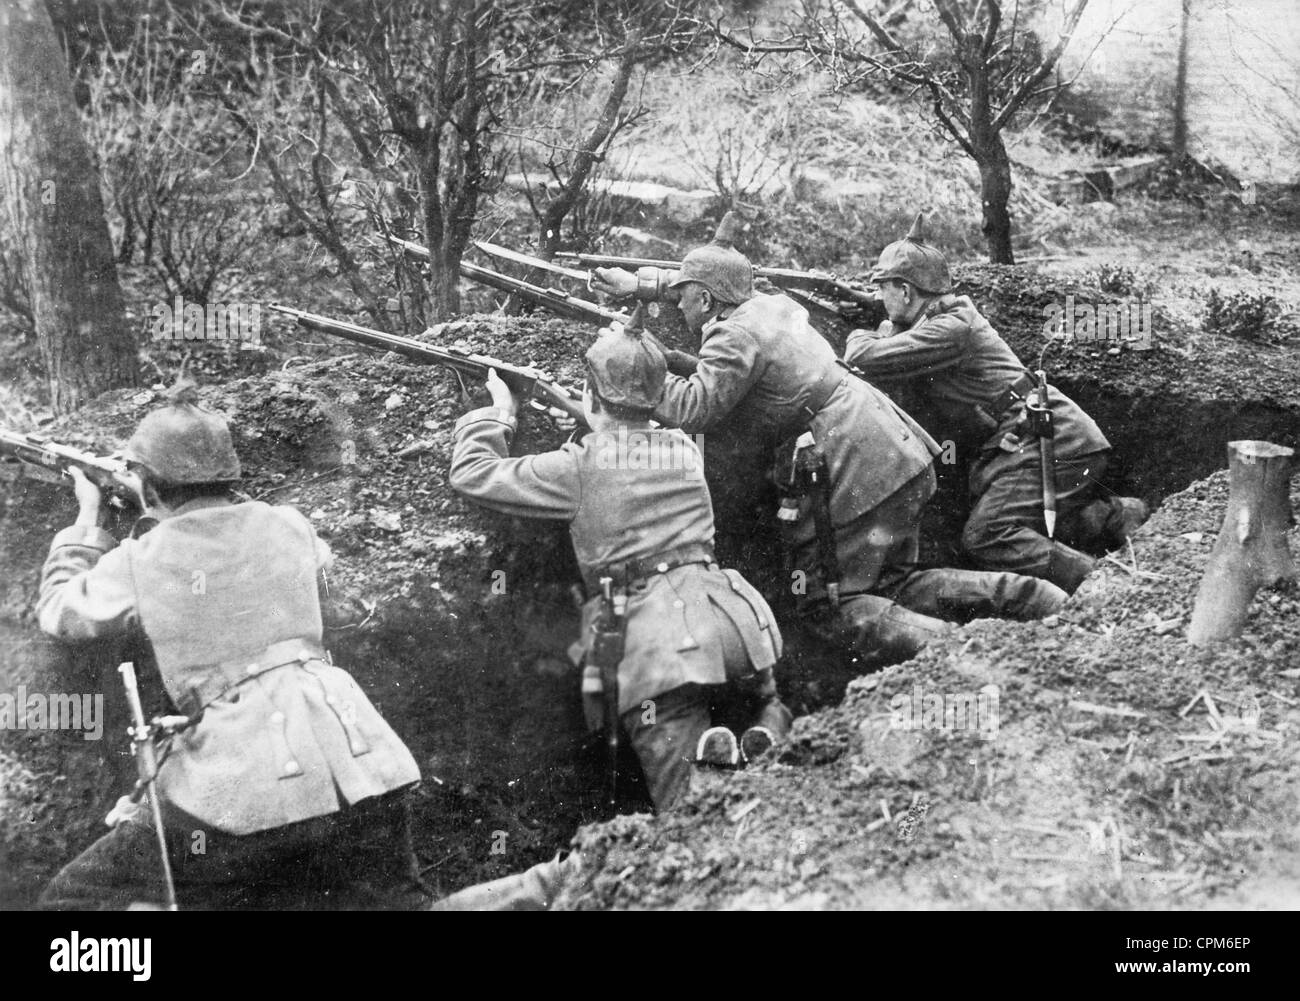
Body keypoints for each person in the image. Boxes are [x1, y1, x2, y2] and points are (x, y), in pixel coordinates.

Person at [589, 216, 1066, 664]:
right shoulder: (769, 307)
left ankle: (960, 656)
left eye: (683, 297)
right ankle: (1032, 598)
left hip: (856, 470)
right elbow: (732, 375)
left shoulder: (732, 337)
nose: (678, 305)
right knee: (896, 584)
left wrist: (638, 372)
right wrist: (665, 343)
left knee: (830, 605)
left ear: (708, 300)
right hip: (894, 456)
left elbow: (697, 408)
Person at [35, 384, 425, 910]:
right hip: (363, 765)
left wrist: (88, 520)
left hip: (246, 787)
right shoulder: (290, 525)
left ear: (147, 483)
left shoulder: (140, 559)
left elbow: (60, 611)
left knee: (75, 899)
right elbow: (252, 543)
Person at [449, 324, 793, 813]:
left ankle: (705, 790)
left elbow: (473, 473)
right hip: (734, 627)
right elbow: (632, 444)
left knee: (689, 816)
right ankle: (766, 736)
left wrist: (499, 412)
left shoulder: (576, 467)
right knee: (764, 701)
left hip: (659, 651)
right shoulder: (683, 447)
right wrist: (591, 415)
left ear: (591, 395)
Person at [844, 215, 1149, 592]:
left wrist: (864, 331)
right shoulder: (939, 322)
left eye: (883, 287)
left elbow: (863, 356)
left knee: (989, 534)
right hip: (1040, 436)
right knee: (1028, 521)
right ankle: (1117, 516)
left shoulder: (952, 328)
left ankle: (1102, 588)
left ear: (906, 291)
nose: (879, 297)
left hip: (1048, 438)